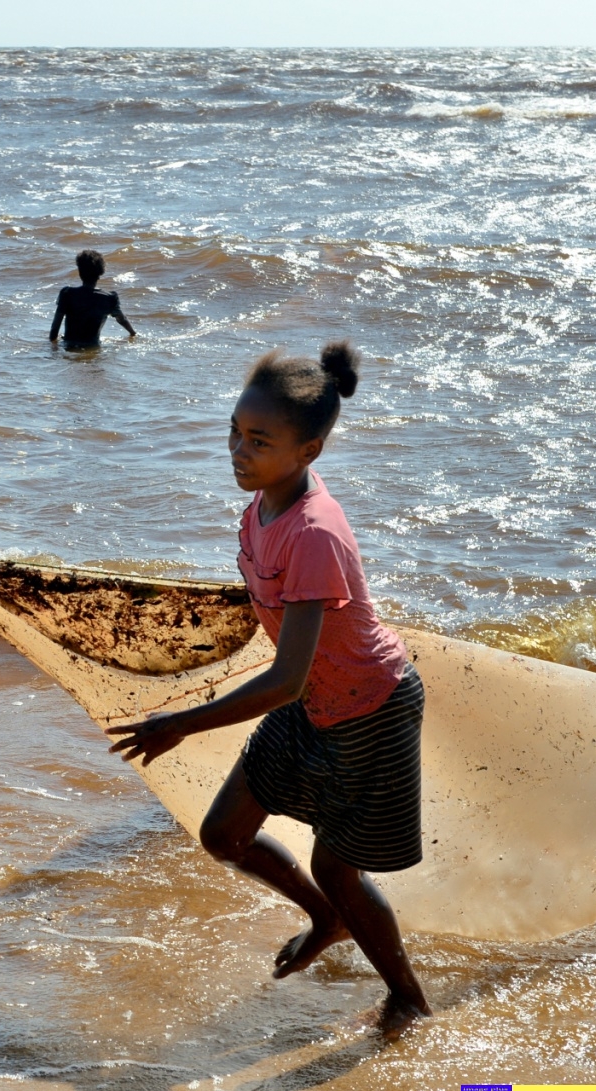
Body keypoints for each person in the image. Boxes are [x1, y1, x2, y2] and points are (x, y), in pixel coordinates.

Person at [106, 343, 430, 1035]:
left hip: (369, 706)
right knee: (225, 834)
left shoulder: (313, 533)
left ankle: (406, 995)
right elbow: (279, 637)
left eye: (259, 441)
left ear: (307, 451)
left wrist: (182, 722)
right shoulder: (260, 508)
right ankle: (326, 919)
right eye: (234, 432)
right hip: (312, 701)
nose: (238, 451)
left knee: (337, 866)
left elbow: (284, 676)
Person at [48, 249, 136, 348]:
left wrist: (53, 347)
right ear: (100, 273)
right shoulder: (109, 298)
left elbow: (55, 328)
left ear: (80, 272)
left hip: (69, 346)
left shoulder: (67, 293)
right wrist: (133, 333)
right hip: (93, 347)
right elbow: (122, 319)